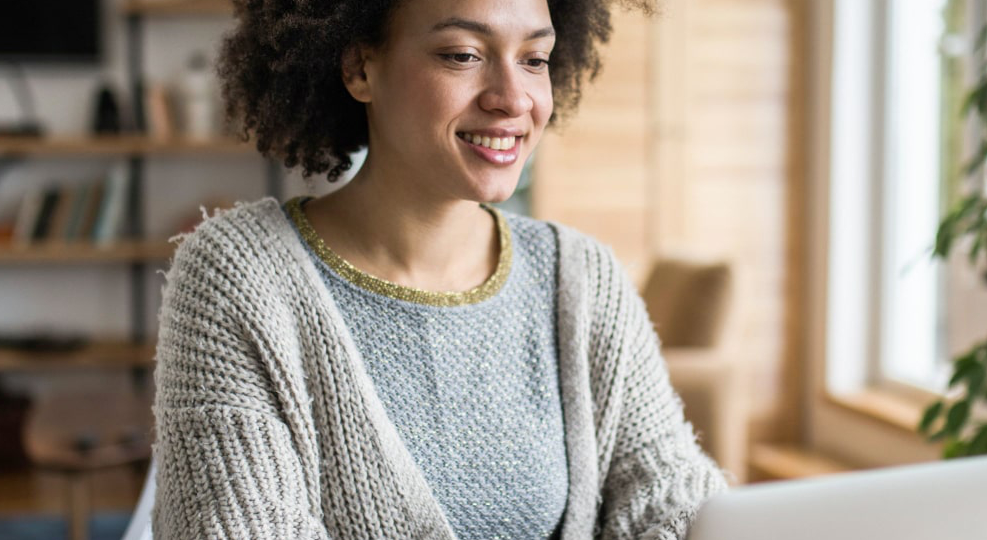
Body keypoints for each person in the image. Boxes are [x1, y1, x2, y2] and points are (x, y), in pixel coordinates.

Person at [148, 0, 727, 537]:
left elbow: (667, 487)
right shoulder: (237, 277)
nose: (513, 98)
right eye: (463, 55)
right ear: (359, 68)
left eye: (534, 59)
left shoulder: (581, 275)